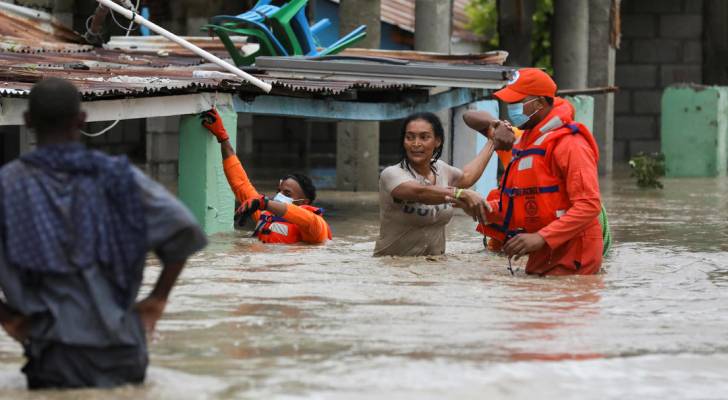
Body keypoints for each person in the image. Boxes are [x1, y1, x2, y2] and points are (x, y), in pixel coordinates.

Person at [0, 78, 207, 389]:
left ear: (28, 121)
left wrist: (9, 317)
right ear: (81, 120)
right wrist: (156, 300)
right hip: (126, 350)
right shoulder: (121, 178)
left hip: (54, 355)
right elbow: (185, 230)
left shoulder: (8, 185)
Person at [472, 68, 604, 276]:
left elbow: (589, 205)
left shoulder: (571, 144)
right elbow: (524, 202)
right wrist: (482, 207)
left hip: (573, 257)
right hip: (543, 254)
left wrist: (541, 237)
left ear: (540, 103)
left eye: (517, 102)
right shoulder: (524, 143)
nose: (511, 108)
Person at [373, 112, 510, 257]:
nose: (416, 144)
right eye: (410, 137)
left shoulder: (441, 169)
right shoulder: (392, 174)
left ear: (437, 141)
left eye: (424, 137)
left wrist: (492, 141)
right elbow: (420, 193)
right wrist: (460, 193)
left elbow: (467, 177)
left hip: (436, 266)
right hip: (394, 268)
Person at [201, 108, 331, 244]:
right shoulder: (265, 214)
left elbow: (309, 219)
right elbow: (240, 183)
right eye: (278, 191)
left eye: (287, 193)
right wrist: (223, 138)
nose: (279, 196)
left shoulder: (316, 228)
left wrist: (265, 203)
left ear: (304, 202)